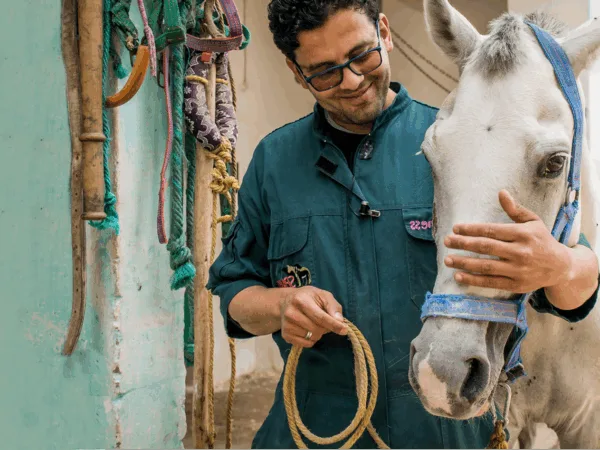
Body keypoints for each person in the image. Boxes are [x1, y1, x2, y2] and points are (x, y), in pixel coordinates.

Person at [206, 0, 600, 448]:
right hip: (315, 433)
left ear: (385, 33)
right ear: (297, 73)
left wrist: (563, 268)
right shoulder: (273, 163)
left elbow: (576, 284)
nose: (351, 80)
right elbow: (235, 295)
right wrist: (281, 307)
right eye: (324, 72)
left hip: (444, 432)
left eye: (362, 55)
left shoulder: (461, 144)